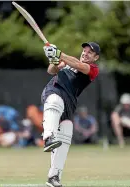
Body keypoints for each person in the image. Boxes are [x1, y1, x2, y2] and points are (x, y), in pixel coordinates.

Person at [41, 42, 100, 187]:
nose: (85, 53)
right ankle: (48, 137)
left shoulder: (92, 68)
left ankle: (54, 176)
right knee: (55, 102)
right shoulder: (68, 61)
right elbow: (51, 70)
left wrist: (58, 54)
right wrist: (54, 61)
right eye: (84, 51)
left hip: (70, 100)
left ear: (96, 57)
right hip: (54, 90)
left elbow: (80, 66)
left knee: (67, 132)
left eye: (90, 52)